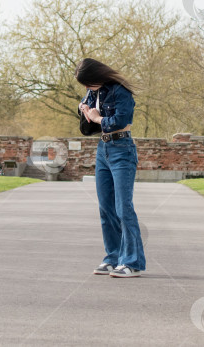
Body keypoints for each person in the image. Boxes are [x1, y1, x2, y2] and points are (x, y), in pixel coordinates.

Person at [76, 57, 145, 278]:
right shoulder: (93, 94)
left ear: (97, 77)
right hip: (103, 149)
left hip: (122, 148)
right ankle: (113, 257)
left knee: (123, 207)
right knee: (106, 208)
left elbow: (118, 120)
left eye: (88, 83)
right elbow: (88, 129)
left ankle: (132, 263)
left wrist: (97, 118)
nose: (86, 88)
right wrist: (84, 111)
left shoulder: (120, 91)